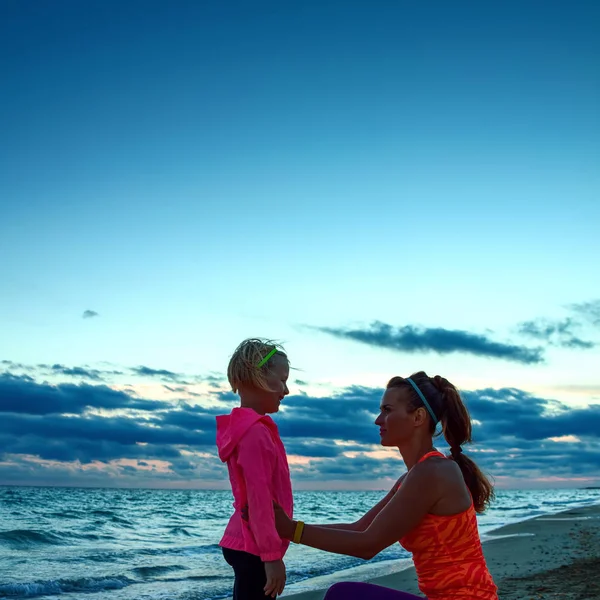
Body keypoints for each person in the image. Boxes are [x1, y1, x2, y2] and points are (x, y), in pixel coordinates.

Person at [272, 371, 498, 600]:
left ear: (418, 417)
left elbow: (368, 545)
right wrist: (288, 526)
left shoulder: (433, 472)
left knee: (343, 595)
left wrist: (291, 530)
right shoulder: (415, 475)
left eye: (387, 410)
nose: (378, 420)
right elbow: (360, 528)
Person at [216, 338, 293, 599]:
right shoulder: (254, 433)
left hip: (248, 540)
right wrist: (271, 557)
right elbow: (259, 498)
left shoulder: (252, 429)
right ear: (257, 376)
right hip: (254, 547)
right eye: (282, 380)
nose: (287, 390)